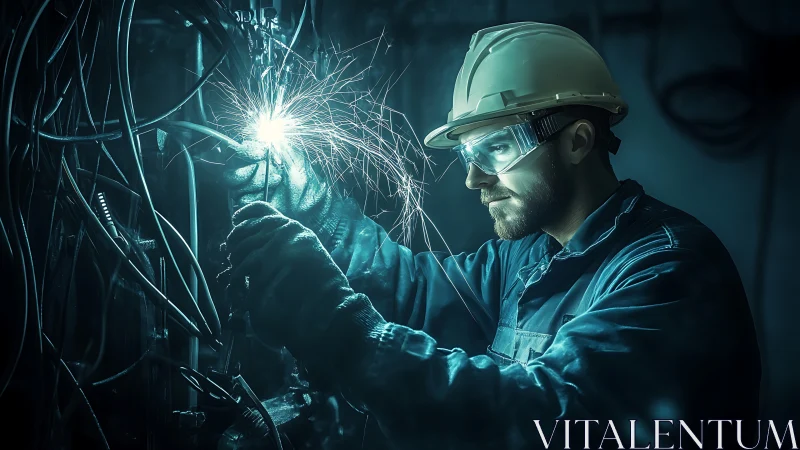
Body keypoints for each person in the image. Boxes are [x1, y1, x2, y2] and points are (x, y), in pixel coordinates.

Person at [222, 22, 761, 449]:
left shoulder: (668, 272)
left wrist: (339, 328)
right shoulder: (527, 256)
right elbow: (411, 290)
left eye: (496, 150)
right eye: (467, 155)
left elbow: (538, 419)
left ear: (576, 141)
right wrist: (302, 194)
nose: (473, 179)